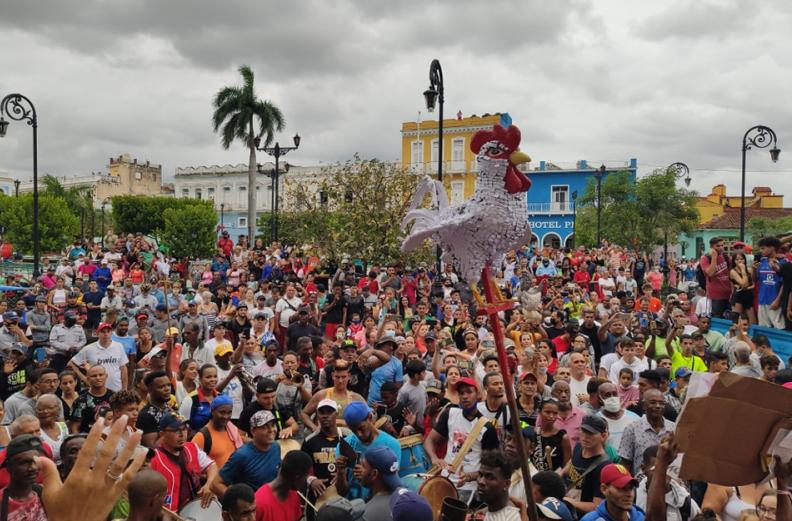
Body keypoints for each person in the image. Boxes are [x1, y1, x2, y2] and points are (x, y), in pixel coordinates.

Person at [423, 377, 499, 500]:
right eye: (461, 393)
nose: (464, 396)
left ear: (477, 394)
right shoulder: (450, 414)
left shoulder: (486, 427)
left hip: (470, 488)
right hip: (445, 481)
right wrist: (434, 458)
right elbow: (429, 441)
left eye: (469, 392)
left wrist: (470, 476)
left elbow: (492, 466)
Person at [149, 411, 217, 512]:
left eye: (184, 429)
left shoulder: (191, 448)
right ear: (162, 434)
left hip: (195, 507)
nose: (182, 434)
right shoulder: (153, 459)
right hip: (168, 514)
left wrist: (209, 485)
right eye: (176, 430)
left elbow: (212, 466)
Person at [335, 401, 401, 500]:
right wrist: (340, 472)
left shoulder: (391, 444)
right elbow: (341, 492)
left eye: (361, 428)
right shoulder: (345, 445)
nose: (359, 434)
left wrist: (368, 477)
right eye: (353, 431)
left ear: (370, 418)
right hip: (352, 509)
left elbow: (392, 484)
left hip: (378, 509)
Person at [215, 410, 282, 495]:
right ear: (253, 431)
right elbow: (216, 484)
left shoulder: (276, 447)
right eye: (264, 427)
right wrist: (240, 504)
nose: (271, 430)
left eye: (273, 425)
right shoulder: (241, 455)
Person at [635, 445, 700, 521]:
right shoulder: (633, 497)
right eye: (656, 469)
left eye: (669, 468)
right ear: (643, 468)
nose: (664, 473)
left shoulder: (686, 504)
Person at [618, 389, 675, 475]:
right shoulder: (632, 429)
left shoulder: (673, 429)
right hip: (641, 484)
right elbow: (626, 463)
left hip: (668, 482)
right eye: (653, 402)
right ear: (644, 405)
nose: (658, 406)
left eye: (662, 403)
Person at [68, 322, 129, 392]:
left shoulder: (119, 346)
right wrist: (84, 379)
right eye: (103, 332)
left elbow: (123, 368)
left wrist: (125, 388)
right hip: (96, 391)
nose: (106, 334)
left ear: (111, 333)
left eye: (108, 331)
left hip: (116, 389)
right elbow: (71, 364)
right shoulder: (89, 348)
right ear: (97, 334)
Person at [253, 450, 313, 521]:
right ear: (297, 477)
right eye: (305, 477)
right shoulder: (259, 503)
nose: (306, 482)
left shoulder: (294, 495)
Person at [0, 434, 48, 520]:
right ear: (8, 466)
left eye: (36, 460)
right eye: (24, 462)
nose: (33, 467)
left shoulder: (44, 494)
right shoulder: (2, 502)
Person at [191, 395, 244, 470]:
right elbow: (192, 466)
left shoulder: (232, 430)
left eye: (229, 412)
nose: (226, 416)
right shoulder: (202, 436)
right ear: (212, 411)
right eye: (222, 412)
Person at [302, 399, 340, 498]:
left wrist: (344, 476)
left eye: (329, 412)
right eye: (321, 412)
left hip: (343, 494)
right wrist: (311, 480)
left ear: (337, 414)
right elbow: (300, 470)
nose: (325, 415)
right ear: (317, 415)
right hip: (319, 496)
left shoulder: (347, 438)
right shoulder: (309, 441)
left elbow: (356, 467)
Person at [579, 463, 645, 521]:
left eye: (631, 488)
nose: (629, 494)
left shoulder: (641, 517)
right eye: (622, 488)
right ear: (604, 489)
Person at [359, 445, 403, 521]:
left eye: (363, 466)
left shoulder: (366, 514)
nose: (359, 469)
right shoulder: (412, 498)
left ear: (374, 474)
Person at [476, 450, 522, 521]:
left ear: (506, 484)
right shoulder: (482, 514)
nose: (481, 482)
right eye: (480, 475)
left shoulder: (511, 518)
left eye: (490, 477)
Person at [135, 371, 176, 447]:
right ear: (150, 390)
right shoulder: (145, 416)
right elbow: (152, 448)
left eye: (168, 385)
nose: (167, 389)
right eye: (161, 387)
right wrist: (170, 427)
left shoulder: (171, 409)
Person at [69, 365, 114, 433]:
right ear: (88, 379)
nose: (98, 378)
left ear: (106, 376)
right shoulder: (80, 401)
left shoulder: (115, 397)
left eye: (101, 375)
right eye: (94, 376)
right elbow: (74, 428)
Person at [699, 237, 731, 318]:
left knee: (729, 318)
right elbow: (710, 273)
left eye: (722, 245)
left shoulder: (726, 257)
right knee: (717, 319)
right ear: (712, 247)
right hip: (715, 296)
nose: (721, 248)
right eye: (718, 246)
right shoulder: (705, 259)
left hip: (728, 293)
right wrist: (714, 258)